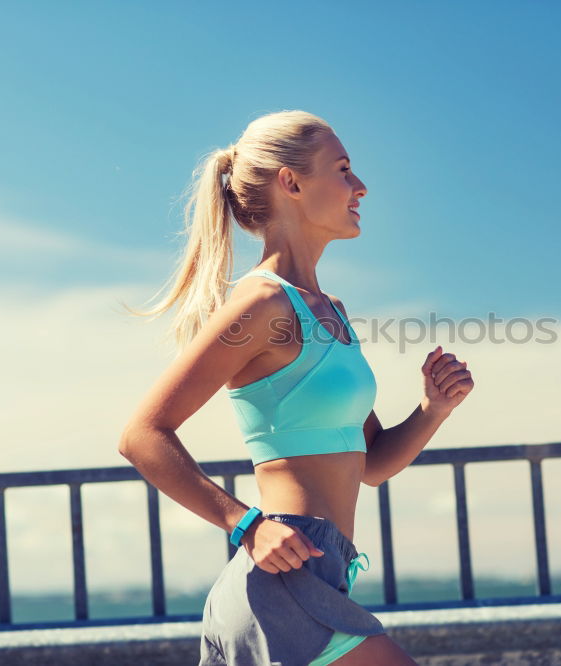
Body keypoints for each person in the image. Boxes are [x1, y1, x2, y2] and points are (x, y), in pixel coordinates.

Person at [117, 110, 474, 665]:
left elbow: (372, 464)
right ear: (291, 182)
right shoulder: (262, 305)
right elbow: (142, 435)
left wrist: (432, 409)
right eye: (344, 169)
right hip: (282, 578)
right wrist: (245, 526)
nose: (360, 186)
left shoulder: (330, 312)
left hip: (323, 572)